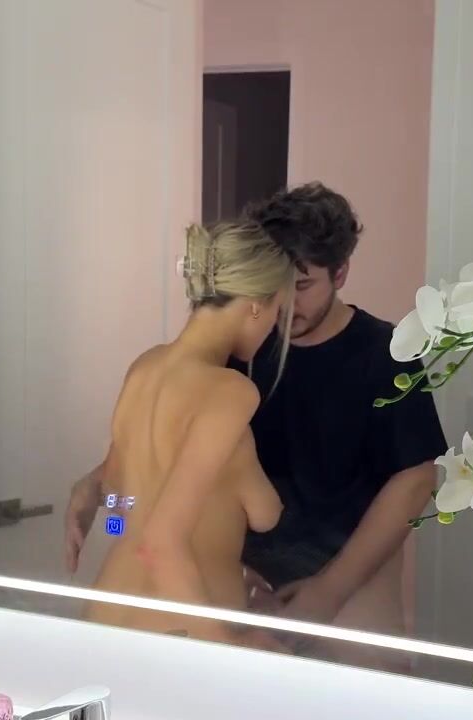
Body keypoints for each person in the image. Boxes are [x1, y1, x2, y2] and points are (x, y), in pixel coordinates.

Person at [68, 184, 447, 668]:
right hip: (234, 581)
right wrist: (99, 483)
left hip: (347, 576)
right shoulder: (240, 347)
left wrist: (330, 590)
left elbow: (416, 479)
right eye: (273, 288)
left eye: (301, 286)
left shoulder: (385, 352)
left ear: (340, 273)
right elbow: (161, 458)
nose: (282, 304)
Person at [81, 221, 295, 652]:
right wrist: (228, 645)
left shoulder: (145, 368)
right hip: (174, 636)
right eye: (279, 310)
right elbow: (160, 542)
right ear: (257, 305)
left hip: (105, 613)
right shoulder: (230, 391)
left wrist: (219, 556)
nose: (275, 325)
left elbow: (117, 502)